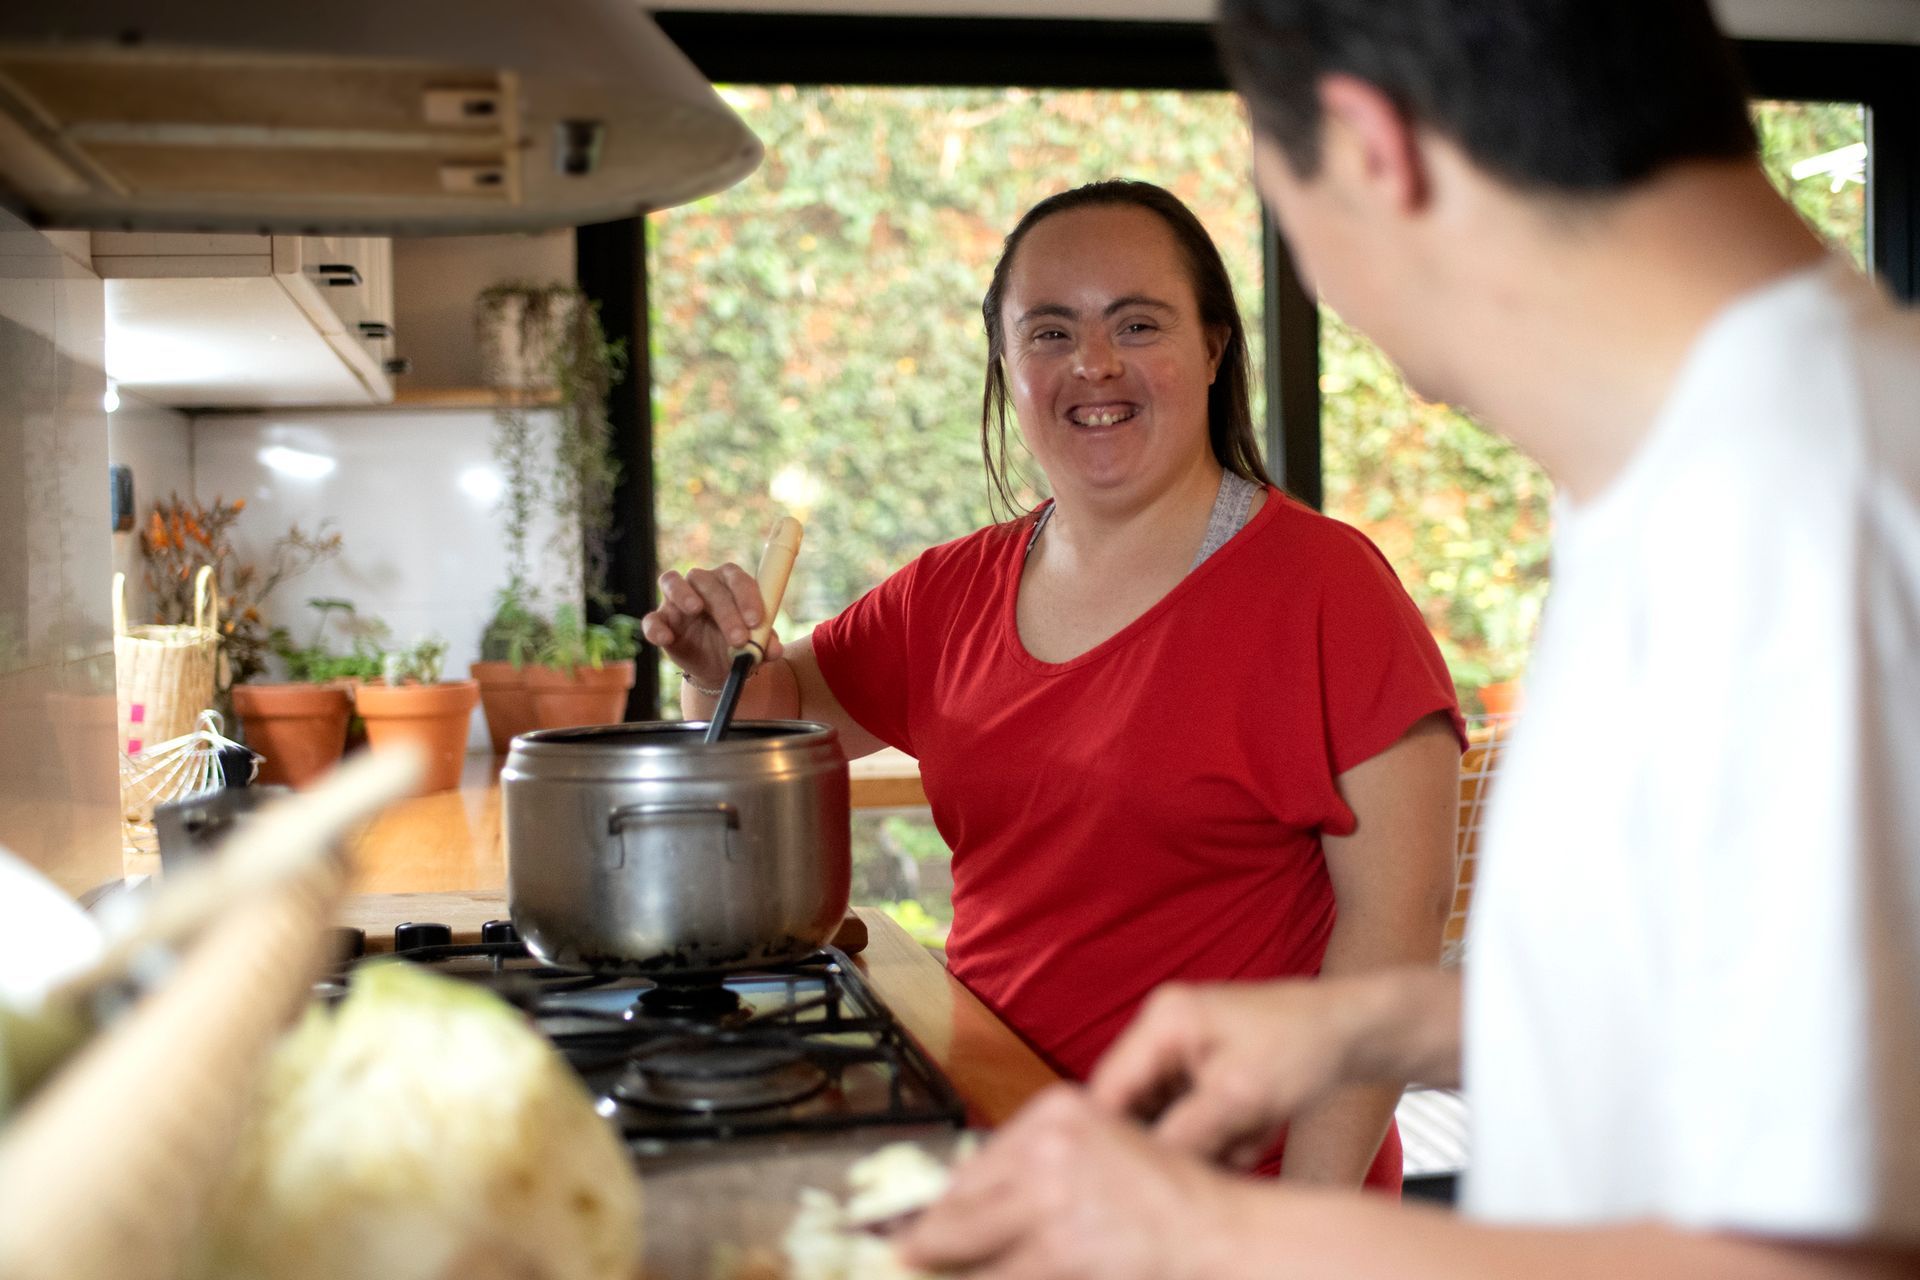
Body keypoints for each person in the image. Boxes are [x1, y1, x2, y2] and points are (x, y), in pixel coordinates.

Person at [892, 1, 1920, 1277]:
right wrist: (1376, 1026)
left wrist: (1221, 1231)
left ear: (1374, 153)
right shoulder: (1726, 455)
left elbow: (1836, 1257)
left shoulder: (1788, 507)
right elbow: (1759, 1022)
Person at [642, 179, 1465, 1192]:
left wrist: (1305, 1226)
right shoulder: (947, 591)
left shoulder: (1328, 588)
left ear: (1212, 349)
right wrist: (711, 671)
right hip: (1007, 1159)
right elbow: (771, 726)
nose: (1095, 363)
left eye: (1138, 322)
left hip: (1225, 1200)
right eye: (1050, 330)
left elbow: (1395, 925)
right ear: (1004, 360)